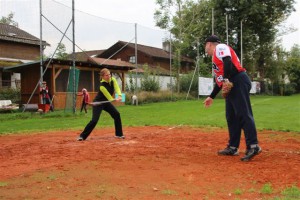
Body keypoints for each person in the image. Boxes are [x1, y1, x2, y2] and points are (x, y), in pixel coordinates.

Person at [203, 35, 261, 162]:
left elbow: (228, 61)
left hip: (238, 80)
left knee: (243, 114)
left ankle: (253, 145)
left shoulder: (220, 47)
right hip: (231, 81)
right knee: (231, 116)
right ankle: (233, 147)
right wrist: (211, 96)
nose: (205, 47)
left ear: (210, 44)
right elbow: (218, 81)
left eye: (205, 44)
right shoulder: (214, 58)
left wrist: (225, 79)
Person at [77, 68, 124, 141]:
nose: (109, 76)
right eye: (106, 75)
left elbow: (117, 88)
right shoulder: (102, 86)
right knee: (94, 120)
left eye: (109, 74)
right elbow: (109, 97)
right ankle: (82, 136)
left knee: (116, 114)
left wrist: (120, 95)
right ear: (102, 76)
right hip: (99, 103)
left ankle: (119, 134)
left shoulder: (113, 80)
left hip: (106, 103)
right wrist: (114, 99)